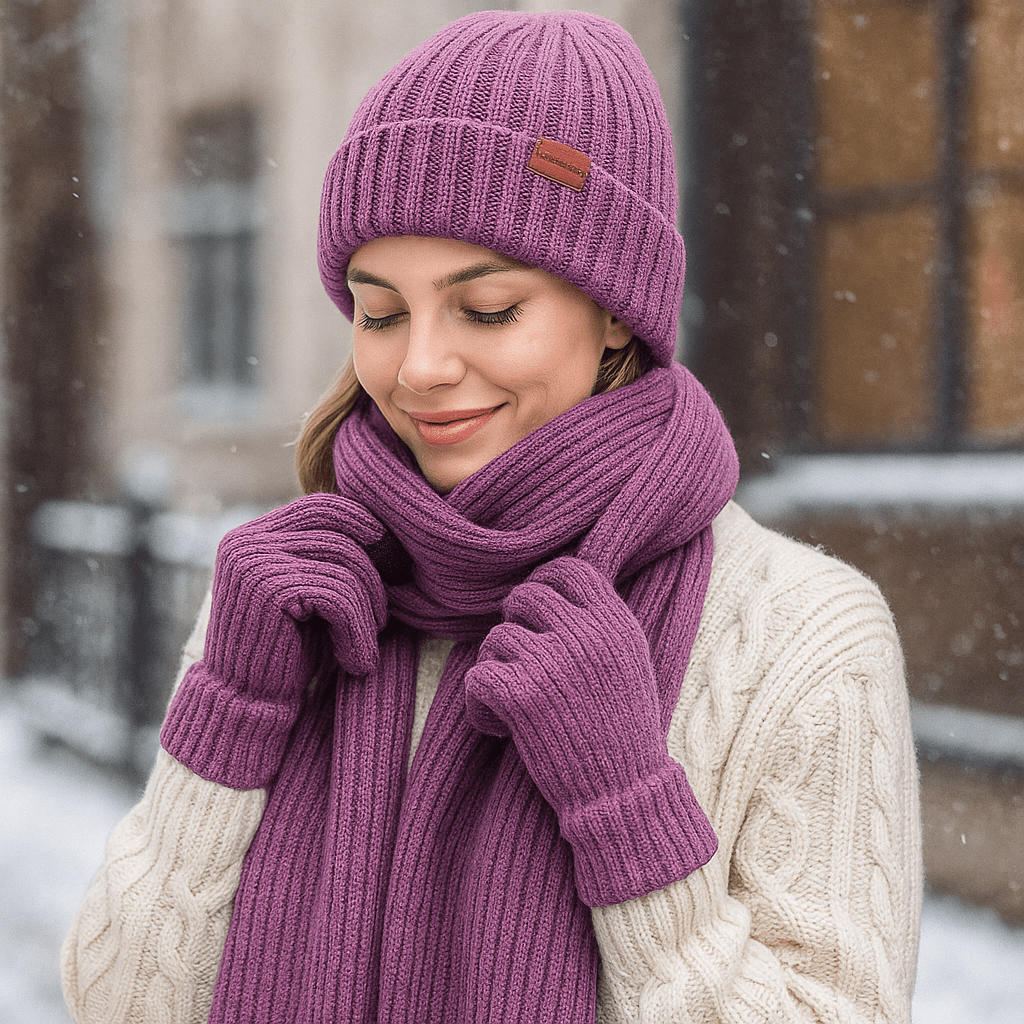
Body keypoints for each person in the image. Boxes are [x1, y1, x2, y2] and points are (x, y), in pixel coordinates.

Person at [60, 10, 922, 1024]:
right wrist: (230, 715)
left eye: (486, 307)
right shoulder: (293, 602)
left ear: (614, 313)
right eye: (380, 312)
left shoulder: (801, 636)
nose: (417, 365)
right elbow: (119, 1000)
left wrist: (626, 808)